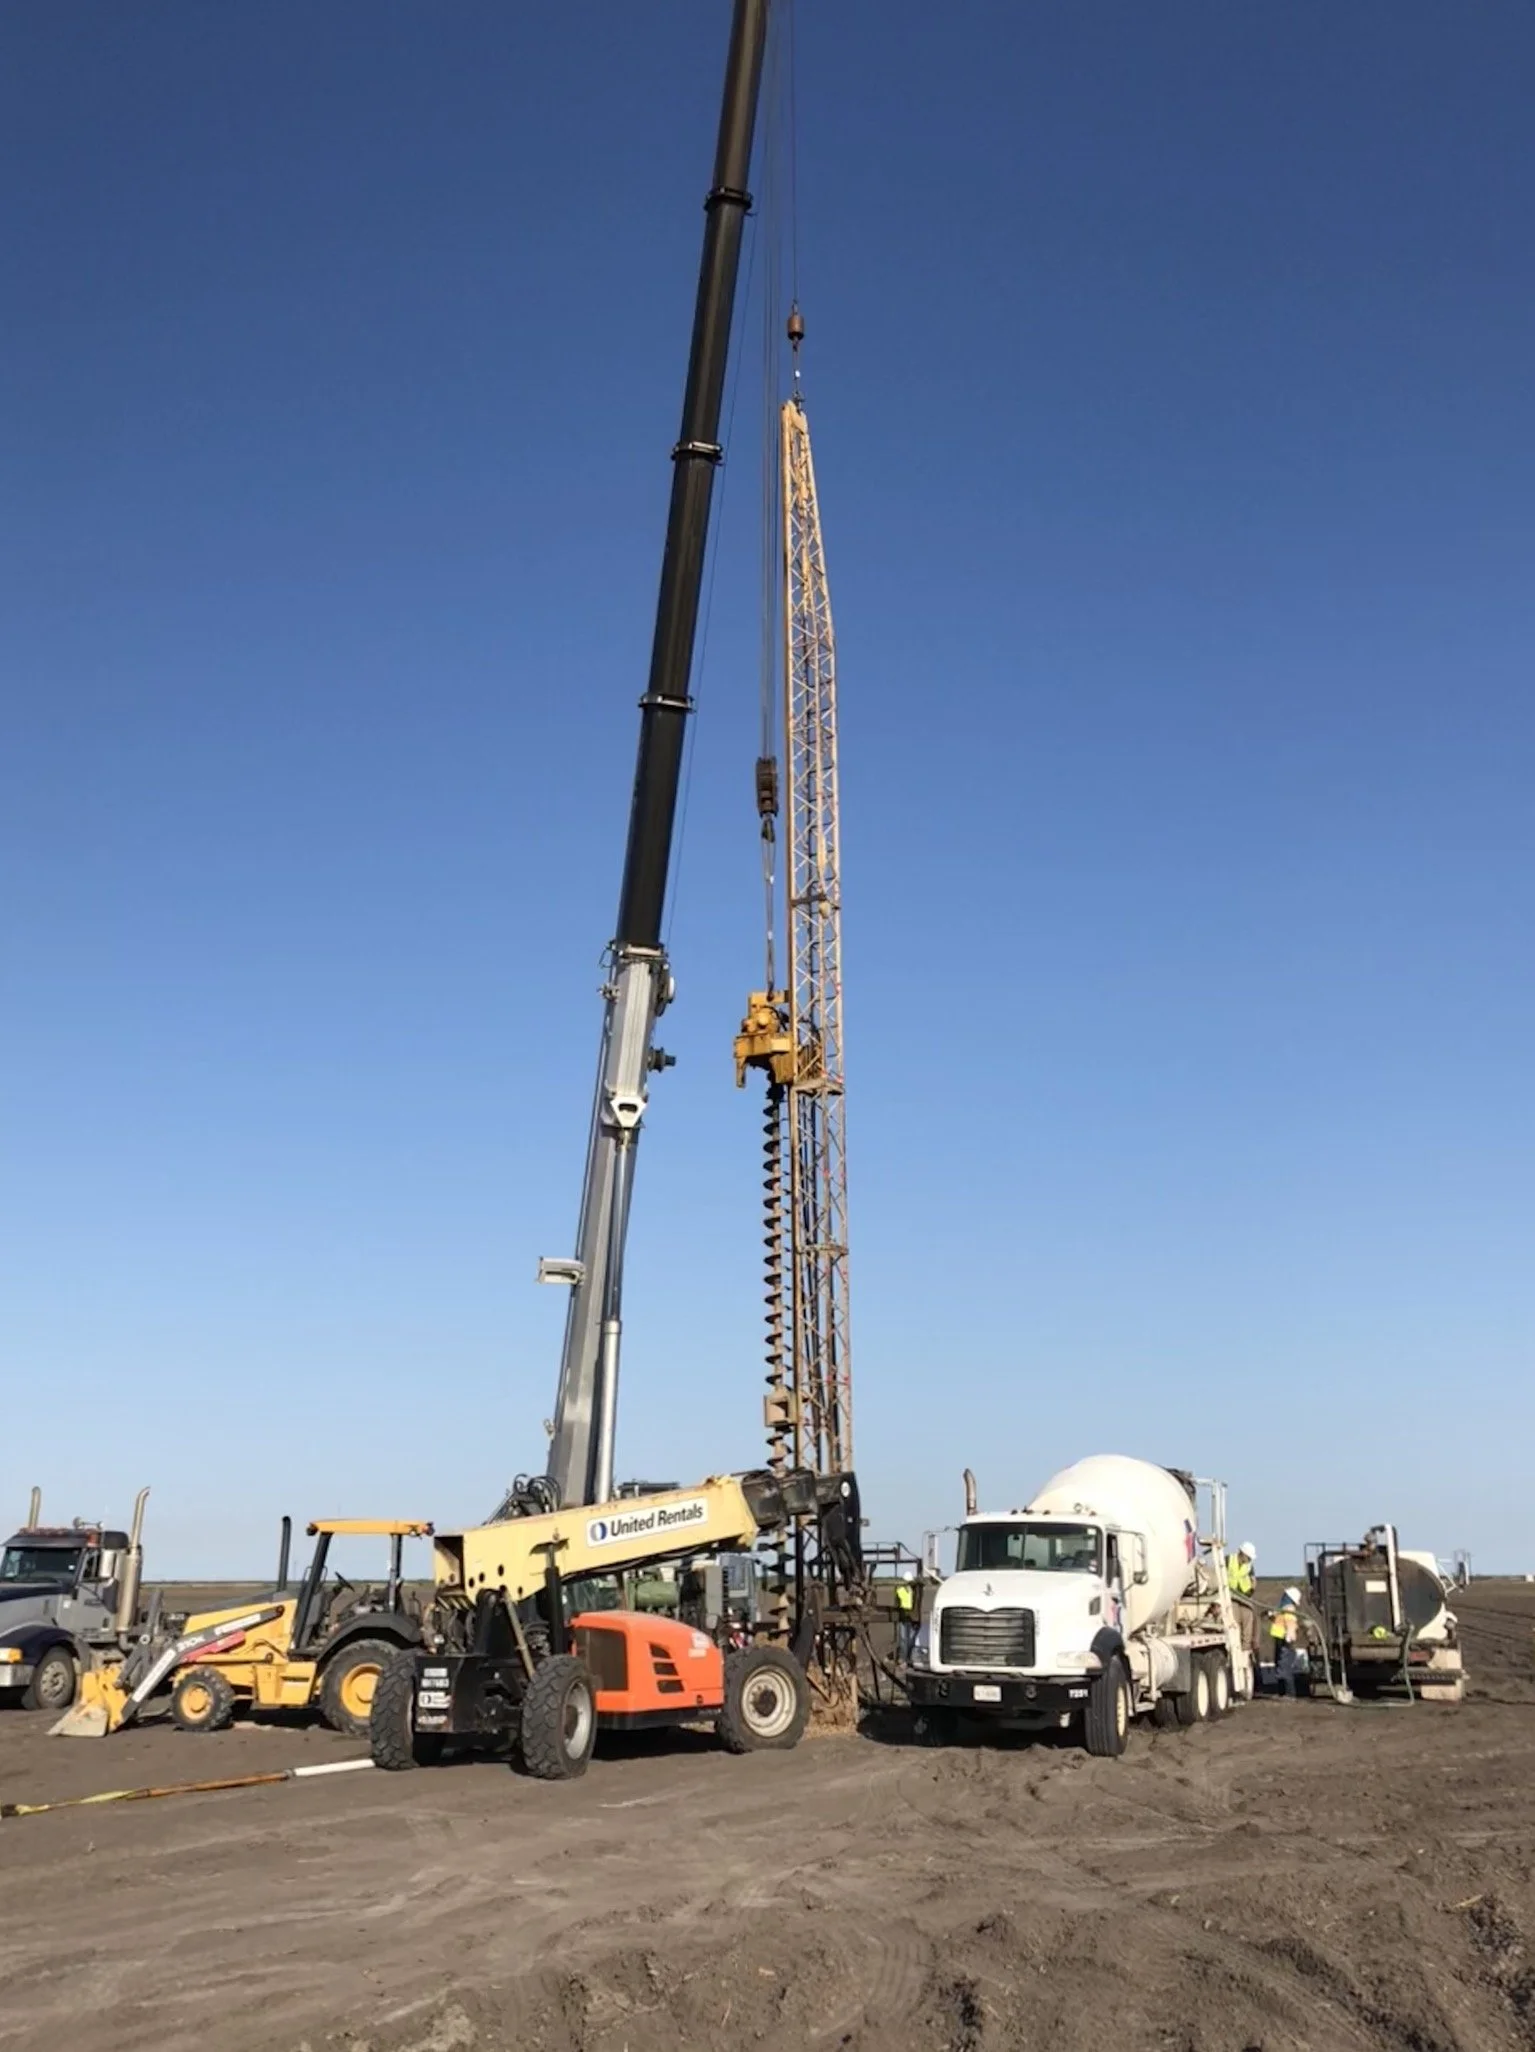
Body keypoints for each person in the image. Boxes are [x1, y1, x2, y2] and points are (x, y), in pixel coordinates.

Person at [1268, 1585, 1303, 1698]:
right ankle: (1281, 1693)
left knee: (1285, 1669)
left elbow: (1291, 1625)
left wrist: (1289, 1636)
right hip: (1280, 1640)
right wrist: (1271, 1614)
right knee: (1280, 1666)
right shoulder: (1282, 1610)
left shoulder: (1288, 1610)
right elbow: (1277, 1620)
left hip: (1286, 1642)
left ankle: (1290, 1694)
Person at [894, 1569, 918, 1662]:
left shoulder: (914, 1590)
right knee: (904, 1639)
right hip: (903, 1616)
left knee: (910, 1638)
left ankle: (908, 1657)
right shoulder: (900, 1590)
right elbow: (897, 1604)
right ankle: (904, 1658)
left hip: (911, 1616)